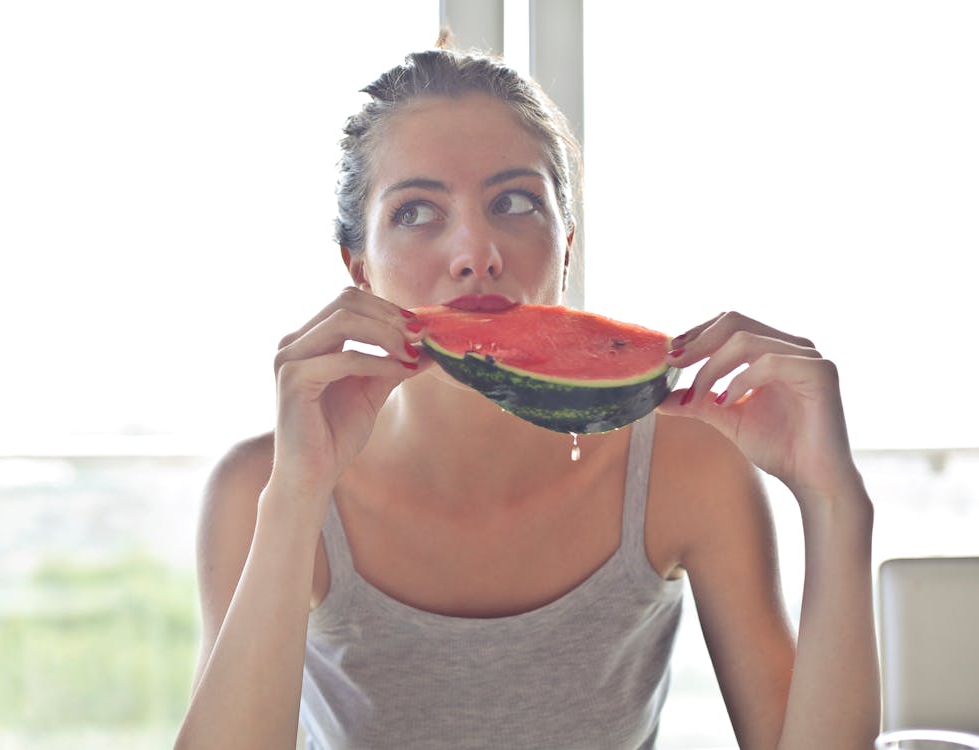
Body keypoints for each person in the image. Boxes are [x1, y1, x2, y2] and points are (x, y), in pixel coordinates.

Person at [174, 44, 880, 750]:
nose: (475, 251)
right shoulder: (259, 489)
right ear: (358, 269)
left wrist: (834, 501)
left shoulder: (685, 468)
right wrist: (298, 495)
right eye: (417, 212)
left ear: (565, 246)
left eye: (513, 203)